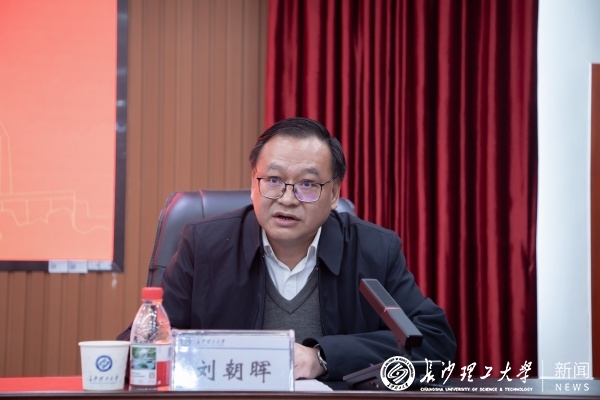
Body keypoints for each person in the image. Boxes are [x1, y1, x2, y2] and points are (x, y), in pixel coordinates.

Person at [120, 117, 456, 380]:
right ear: (253, 183)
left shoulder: (373, 250)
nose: (287, 198)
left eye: (308, 184)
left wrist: (322, 357)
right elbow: (144, 346)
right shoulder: (205, 246)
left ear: (334, 193)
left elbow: (433, 342)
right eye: (273, 180)